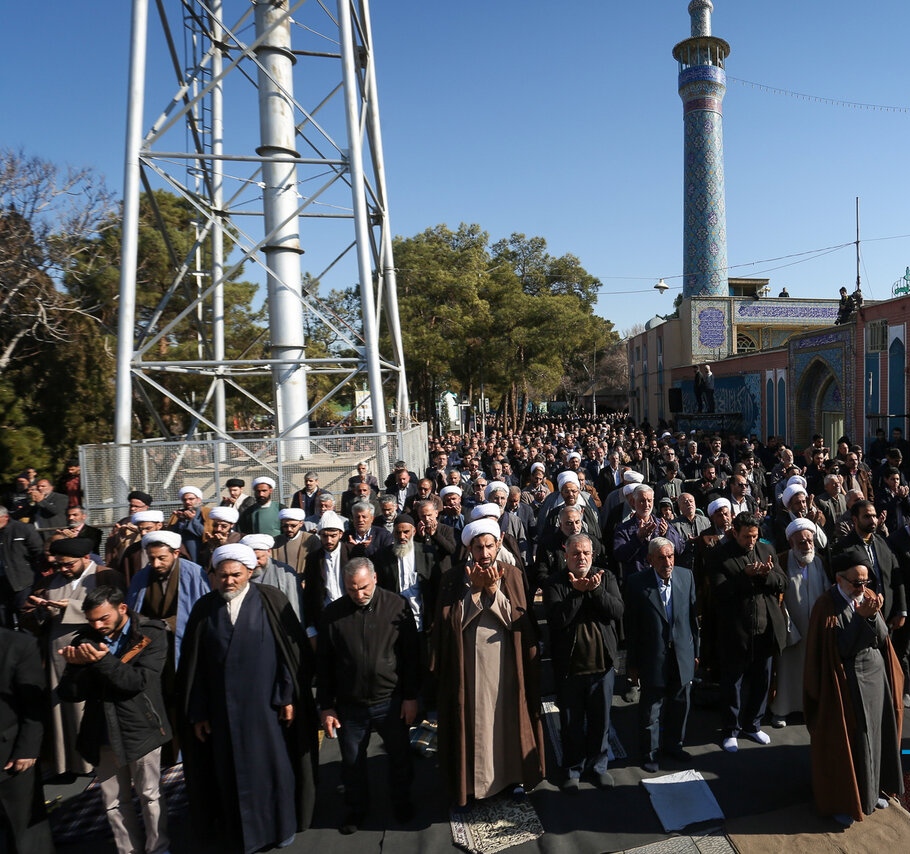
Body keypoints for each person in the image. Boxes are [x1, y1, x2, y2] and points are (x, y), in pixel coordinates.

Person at [178, 544, 318, 852]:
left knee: (274, 770)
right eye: (223, 575)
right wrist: (199, 712)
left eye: (235, 575)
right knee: (230, 774)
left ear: (250, 572)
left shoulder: (270, 600)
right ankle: (240, 834)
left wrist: (287, 697)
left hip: (266, 710)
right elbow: (194, 667)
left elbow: (289, 656)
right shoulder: (204, 609)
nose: (229, 582)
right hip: (221, 713)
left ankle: (280, 828)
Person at [435, 519, 545, 807]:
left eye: (489, 546)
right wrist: (474, 590)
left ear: (498, 545)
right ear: (469, 548)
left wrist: (494, 591)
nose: (484, 553)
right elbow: (448, 624)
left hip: (505, 663)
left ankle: (511, 779)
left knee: (506, 719)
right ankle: (474, 786)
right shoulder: (454, 577)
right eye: (478, 547)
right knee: (474, 722)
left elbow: (520, 620)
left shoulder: (512, 574)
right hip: (469, 666)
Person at [57, 586, 171, 854]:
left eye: (103, 618)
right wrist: (75, 668)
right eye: (91, 620)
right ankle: (127, 850)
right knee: (113, 801)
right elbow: (70, 694)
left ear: (122, 609)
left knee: (149, 795)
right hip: (102, 730)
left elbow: (137, 681)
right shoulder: (84, 639)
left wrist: (102, 661)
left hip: (141, 727)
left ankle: (158, 848)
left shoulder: (150, 634)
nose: (97, 625)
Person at [318, 557, 419, 834]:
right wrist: (326, 707)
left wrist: (411, 697)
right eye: (352, 590)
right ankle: (357, 809)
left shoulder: (397, 606)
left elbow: (411, 656)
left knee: (399, 757)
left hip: (391, 701)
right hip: (350, 705)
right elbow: (324, 664)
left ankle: (401, 802)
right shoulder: (333, 614)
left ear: (374, 579)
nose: (359, 595)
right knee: (352, 763)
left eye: (363, 587)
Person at [803, 558, 904, 825]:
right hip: (846, 683)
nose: (862, 587)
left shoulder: (868, 595)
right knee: (854, 740)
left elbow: (882, 638)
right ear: (839, 580)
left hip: (875, 676)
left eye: (865, 581)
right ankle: (847, 800)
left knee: (878, 733)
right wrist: (860, 619)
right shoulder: (826, 605)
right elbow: (841, 650)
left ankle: (874, 790)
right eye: (856, 582)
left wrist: (872, 615)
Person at [28, 538, 125, 778]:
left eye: (68, 564)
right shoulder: (50, 581)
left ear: (86, 558)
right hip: (57, 656)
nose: (63, 569)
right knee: (62, 708)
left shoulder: (106, 576)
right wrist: (41, 609)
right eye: (59, 564)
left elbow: (117, 609)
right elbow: (28, 614)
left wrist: (69, 608)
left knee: (89, 708)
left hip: (94, 652)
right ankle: (68, 763)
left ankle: (95, 762)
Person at [544, 533, 623, 791]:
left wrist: (595, 590)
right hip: (570, 669)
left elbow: (616, 611)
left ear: (593, 555)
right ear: (565, 555)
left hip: (602, 667)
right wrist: (577, 594)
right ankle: (572, 769)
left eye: (586, 553)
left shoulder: (605, 577)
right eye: (575, 554)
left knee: (601, 722)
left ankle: (598, 767)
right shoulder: (555, 582)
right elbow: (557, 620)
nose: (581, 558)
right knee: (571, 723)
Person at [709, 512, 788, 752]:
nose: (751, 541)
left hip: (765, 630)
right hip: (736, 631)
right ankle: (730, 729)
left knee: (762, 681)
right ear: (735, 533)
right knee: (732, 684)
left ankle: (752, 725)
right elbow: (720, 591)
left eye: (754, 536)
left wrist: (766, 575)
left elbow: (782, 582)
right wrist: (745, 576)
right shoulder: (720, 556)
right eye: (746, 537)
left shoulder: (767, 550)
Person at [624, 537, 699, 772]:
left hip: (682, 655)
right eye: (662, 558)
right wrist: (633, 665)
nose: (667, 562)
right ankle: (649, 753)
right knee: (651, 711)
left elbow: (692, 620)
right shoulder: (636, 584)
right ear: (650, 560)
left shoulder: (686, 577)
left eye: (671, 556)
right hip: (652, 658)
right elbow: (632, 629)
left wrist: (696, 652)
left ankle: (674, 746)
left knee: (680, 704)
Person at [0, 627, 56, 854]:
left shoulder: (20, 645)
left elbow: (34, 705)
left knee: (25, 832)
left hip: (11, 755)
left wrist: (28, 749)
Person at [769, 520, 829, 728]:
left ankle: (809, 709)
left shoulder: (818, 561)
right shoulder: (782, 561)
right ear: (791, 542)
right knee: (788, 671)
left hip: (815, 628)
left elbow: (827, 591)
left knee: (813, 670)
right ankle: (781, 710)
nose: (807, 546)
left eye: (810, 541)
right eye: (802, 542)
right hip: (791, 628)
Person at [0, 506, 44, 629]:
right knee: (3, 619)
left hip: (23, 581)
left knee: (25, 617)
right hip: (2, 583)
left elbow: (38, 551)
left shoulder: (23, 529)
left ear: (5, 517)